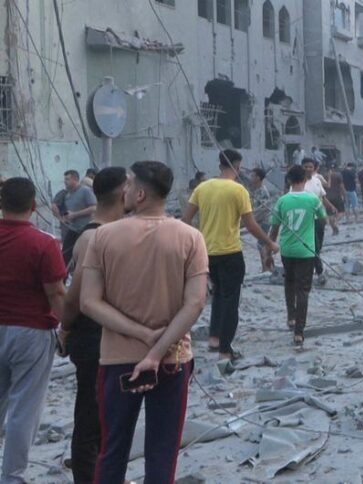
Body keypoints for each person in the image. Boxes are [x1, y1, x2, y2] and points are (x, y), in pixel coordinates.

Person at [81, 160, 209, 484]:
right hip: (173, 360)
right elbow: (194, 303)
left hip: (117, 361)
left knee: (112, 450)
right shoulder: (191, 238)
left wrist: (140, 335)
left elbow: (89, 302)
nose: (123, 191)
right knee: (162, 452)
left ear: (139, 193)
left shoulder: (103, 237)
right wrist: (157, 351)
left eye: (128, 185)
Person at [56, 167, 126, 483]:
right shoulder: (93, 236)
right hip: (94, 336)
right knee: (91, 412)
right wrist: (66, 328)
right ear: (123, 194)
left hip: (115, 337)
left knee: (109, 412)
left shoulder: (118, 232)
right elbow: (74, 297)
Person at [0, 177, 67, 484]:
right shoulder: (43, 243)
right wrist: (69, 327)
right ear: (33, 206)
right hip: (31, 331)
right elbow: (56, 293)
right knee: (23, 409)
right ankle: (13, 477)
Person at [183, 149, 278, 361]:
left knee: (218, 294)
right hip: (230, 253)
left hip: (206, 254)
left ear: (219, 166)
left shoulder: (202, 188)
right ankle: (226, 350)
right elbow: (251, 225)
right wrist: (270, 242)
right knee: (231, 301)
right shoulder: (238, 190)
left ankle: (214, 338)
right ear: (237, 166)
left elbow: (185, 220)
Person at [270, 166, 327, 347]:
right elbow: (322, 218)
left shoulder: (282, 201)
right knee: (303, 290)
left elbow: (274, 228)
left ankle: (291, 316)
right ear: (305, 179)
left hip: (286, 250)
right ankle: (299, 332)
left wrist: (269, 248)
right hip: (306, 251)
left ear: (288, 181)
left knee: (289, 282)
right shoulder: (313, 199)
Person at [298, 158, 337, 284]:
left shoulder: (317, 181)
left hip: (320, 218)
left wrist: (330, 206)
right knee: (313, 246)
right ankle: (319, 272)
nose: (308, 169)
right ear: (302, 167)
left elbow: (322, 197)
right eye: (305, 166)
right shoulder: (298, 183)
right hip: (306, 219)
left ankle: (310, 267)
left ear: (314, 168)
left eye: (310, 166)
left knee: (318, 246)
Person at [51, 170, 97, 266]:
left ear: (75, 179)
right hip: (72, 229)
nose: (65, 181)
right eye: (65, 179)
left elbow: (94, 207)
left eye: (67, 179)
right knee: (64, 255)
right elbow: (58, 207)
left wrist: (75, 214)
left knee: (81, 257)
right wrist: (63, 218)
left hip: (85, 229)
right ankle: (62, 278)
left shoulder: (85, 191)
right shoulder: (67, 194)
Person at [249, 168, 275, 273]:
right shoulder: (257, 190)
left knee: (262, 245)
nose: (251, 178)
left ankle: (266, 268)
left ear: (258, 178)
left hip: (264, 221)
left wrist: (251, 219)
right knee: (263, 245)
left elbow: (263, 209)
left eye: (252, 176)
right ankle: (268, 267)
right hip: (260, 221)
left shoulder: (262, 191)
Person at [326, 165, 345, 235]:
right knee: (342, 212)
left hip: (328, 198)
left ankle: (334, 229)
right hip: (337, 196)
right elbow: (341, 186)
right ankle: (336, 222)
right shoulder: (338, 175)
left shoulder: (324, 176)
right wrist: (344, 195)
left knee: (330, 214)